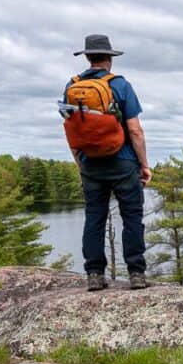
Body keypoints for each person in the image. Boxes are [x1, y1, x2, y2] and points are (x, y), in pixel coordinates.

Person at [65, 34, 151, 291]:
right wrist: (144, 164)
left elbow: (71, 130)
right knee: (132, 217)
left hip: (90, 163)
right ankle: (136, 273)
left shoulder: (72, 85)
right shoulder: (121, 85)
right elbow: (135, 130)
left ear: (88, 56)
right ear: (109, 58)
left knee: (94, 217)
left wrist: (80, 163)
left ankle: (94, 274)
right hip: (123, 162)